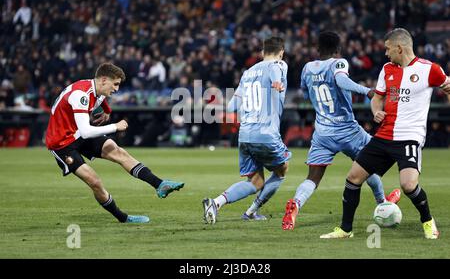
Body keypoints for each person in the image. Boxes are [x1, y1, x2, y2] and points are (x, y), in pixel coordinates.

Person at [320, 28, 449, 240]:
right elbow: (377, 98)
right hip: (384, 136)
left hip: (409, 137)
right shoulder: (387, 69)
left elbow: (448, 87)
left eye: (388, 49)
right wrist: (376, 111)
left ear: (400, 48)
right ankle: (345, 230)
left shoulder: (430, 69)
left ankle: (427, 221)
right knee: (353, 178)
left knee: (408, 185)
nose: (386, 53)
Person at [281, 31, 400, 231]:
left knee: (313, 177)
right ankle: (382, 202)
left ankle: (295, 204)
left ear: (317, 49)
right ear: (338, 50)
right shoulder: (339, 63)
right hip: (348, 130)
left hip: (322, 133)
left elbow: (304, 91)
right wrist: (367, 91)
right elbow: (341, 81)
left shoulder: (307, 68)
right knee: (368, 163)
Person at [45, 62, 184, 223]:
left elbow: (100, 99)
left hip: (76, 132)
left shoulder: (97, 88)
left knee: (118, 151)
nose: (117, 89)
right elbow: (86, 131)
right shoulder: (81, 95)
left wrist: (107, 111)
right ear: (104, 80)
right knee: (94, 181)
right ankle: (123, 218)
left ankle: (160, 185)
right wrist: (115, 127)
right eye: (115, 84)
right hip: (62, 143)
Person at [202, 37, 291, 223]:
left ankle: (216, 203)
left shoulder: (248, 72)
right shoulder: (279, 65)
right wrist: (276, 82)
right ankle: (251, 211)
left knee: (256, 182)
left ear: (262, 52)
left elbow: (233, 106)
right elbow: (275, 67)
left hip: (244, 135)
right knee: (282, 170)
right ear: (281, 52)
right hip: (266, 133)